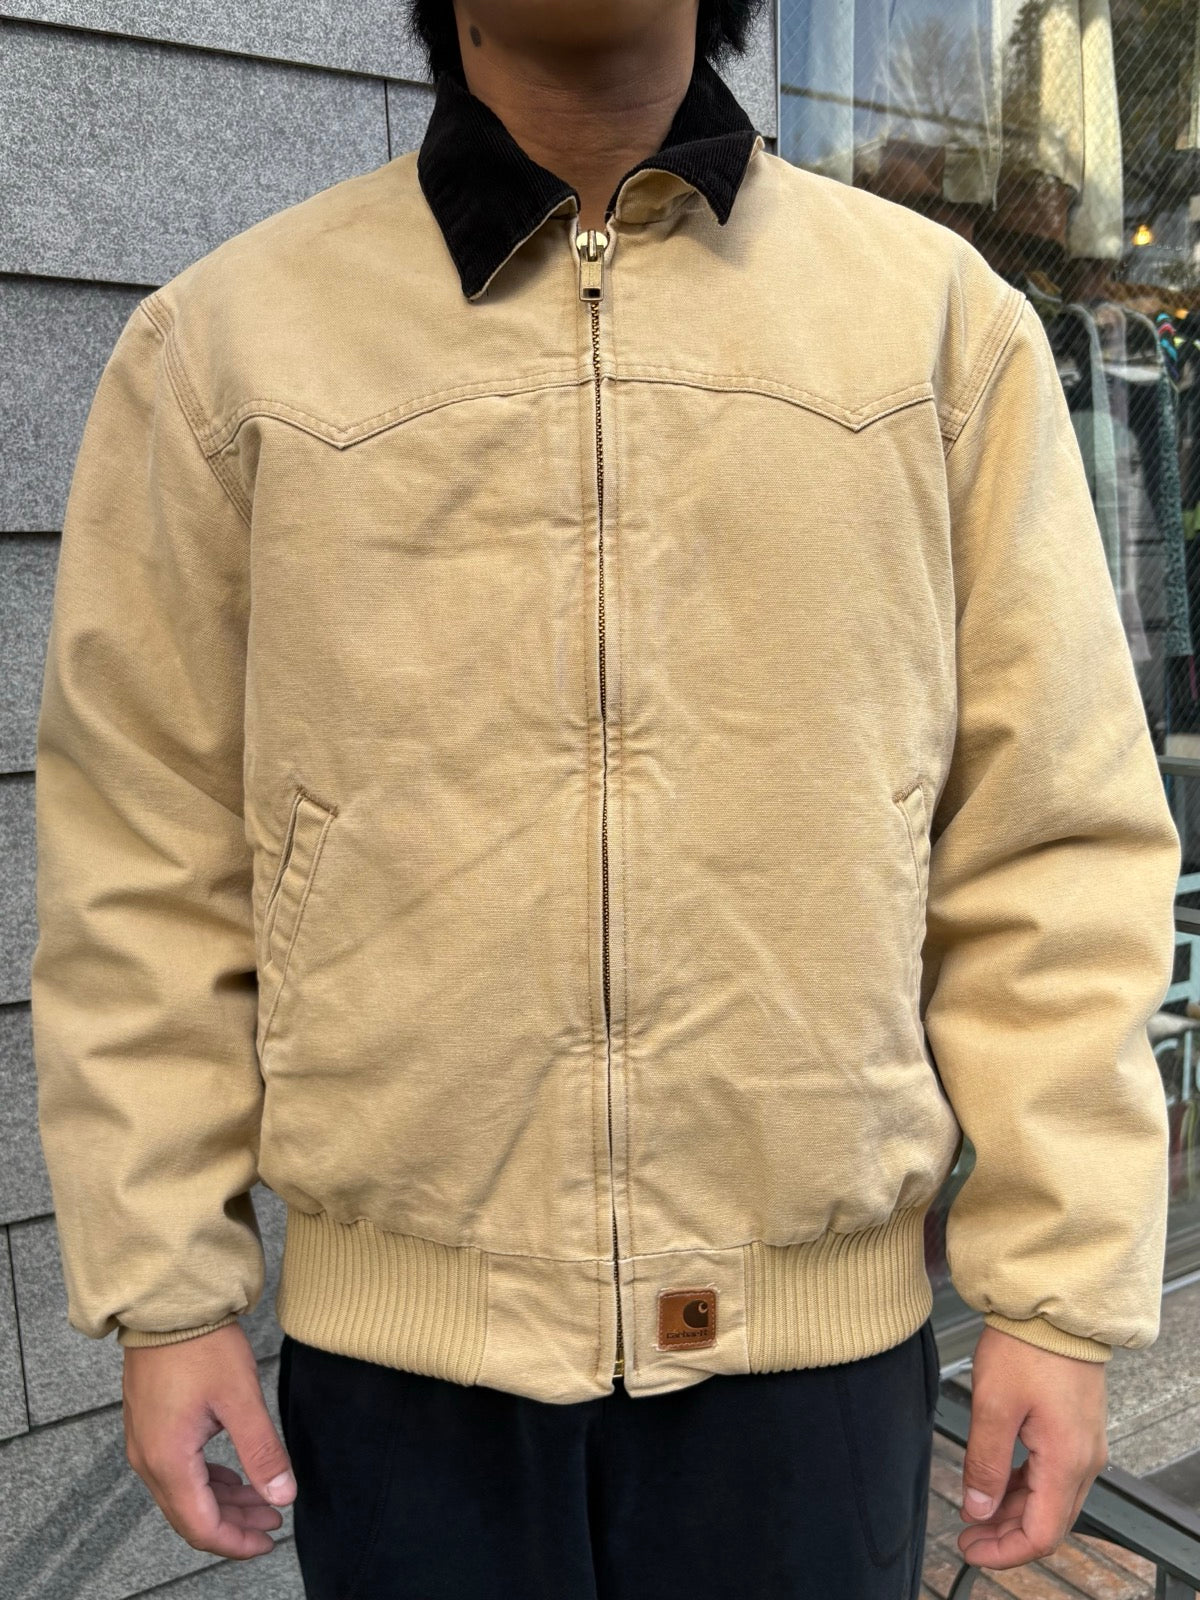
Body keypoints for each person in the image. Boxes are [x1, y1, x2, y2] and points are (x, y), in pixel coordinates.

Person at [29, 1, 1181, 1596]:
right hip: (407, 1377)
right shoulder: (230, 347)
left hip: (812, 1376)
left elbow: (1046, 834)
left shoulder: (933, 330)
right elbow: (143, 853)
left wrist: (1058, 1294)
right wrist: (165, 1290)